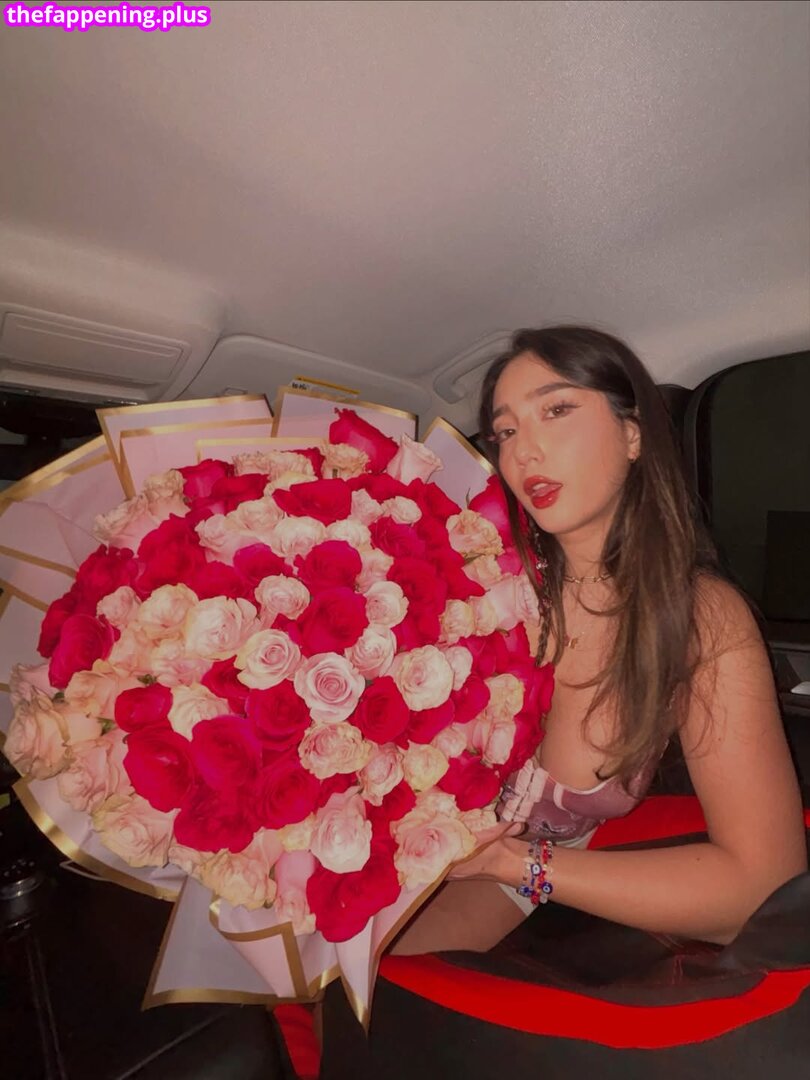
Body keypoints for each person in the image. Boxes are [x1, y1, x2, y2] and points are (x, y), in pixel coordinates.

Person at [392, 325, 806, 955]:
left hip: (509, 876)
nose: (524, 452)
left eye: (556, 410)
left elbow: (761, 889)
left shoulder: (700, 619)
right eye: (506, 431)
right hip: (387, 852)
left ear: (633, 434)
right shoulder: (474, 581)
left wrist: (511, 863)